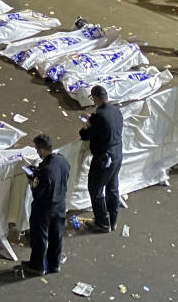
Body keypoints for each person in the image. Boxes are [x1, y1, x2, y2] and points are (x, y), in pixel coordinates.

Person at [20, 134, 70, 277]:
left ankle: (37, 265)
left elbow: (37, 191)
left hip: (45, 208)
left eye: (37, 150)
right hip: (60, 204)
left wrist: (32, 178)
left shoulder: (45, 171)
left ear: (41, 150)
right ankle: (54, 264)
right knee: (56, 235)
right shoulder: (62, 160)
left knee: (40, 236)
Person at [80, 86, 124, 232]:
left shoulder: (99, 116)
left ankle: (102, 222)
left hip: (104, 158)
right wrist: (92, 119)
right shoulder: (116, 110)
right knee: (112, 187)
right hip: (117, 154)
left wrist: (87, 124)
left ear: (95, 98)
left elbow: (86, 135)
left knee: (95, 188)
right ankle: (113, 219)